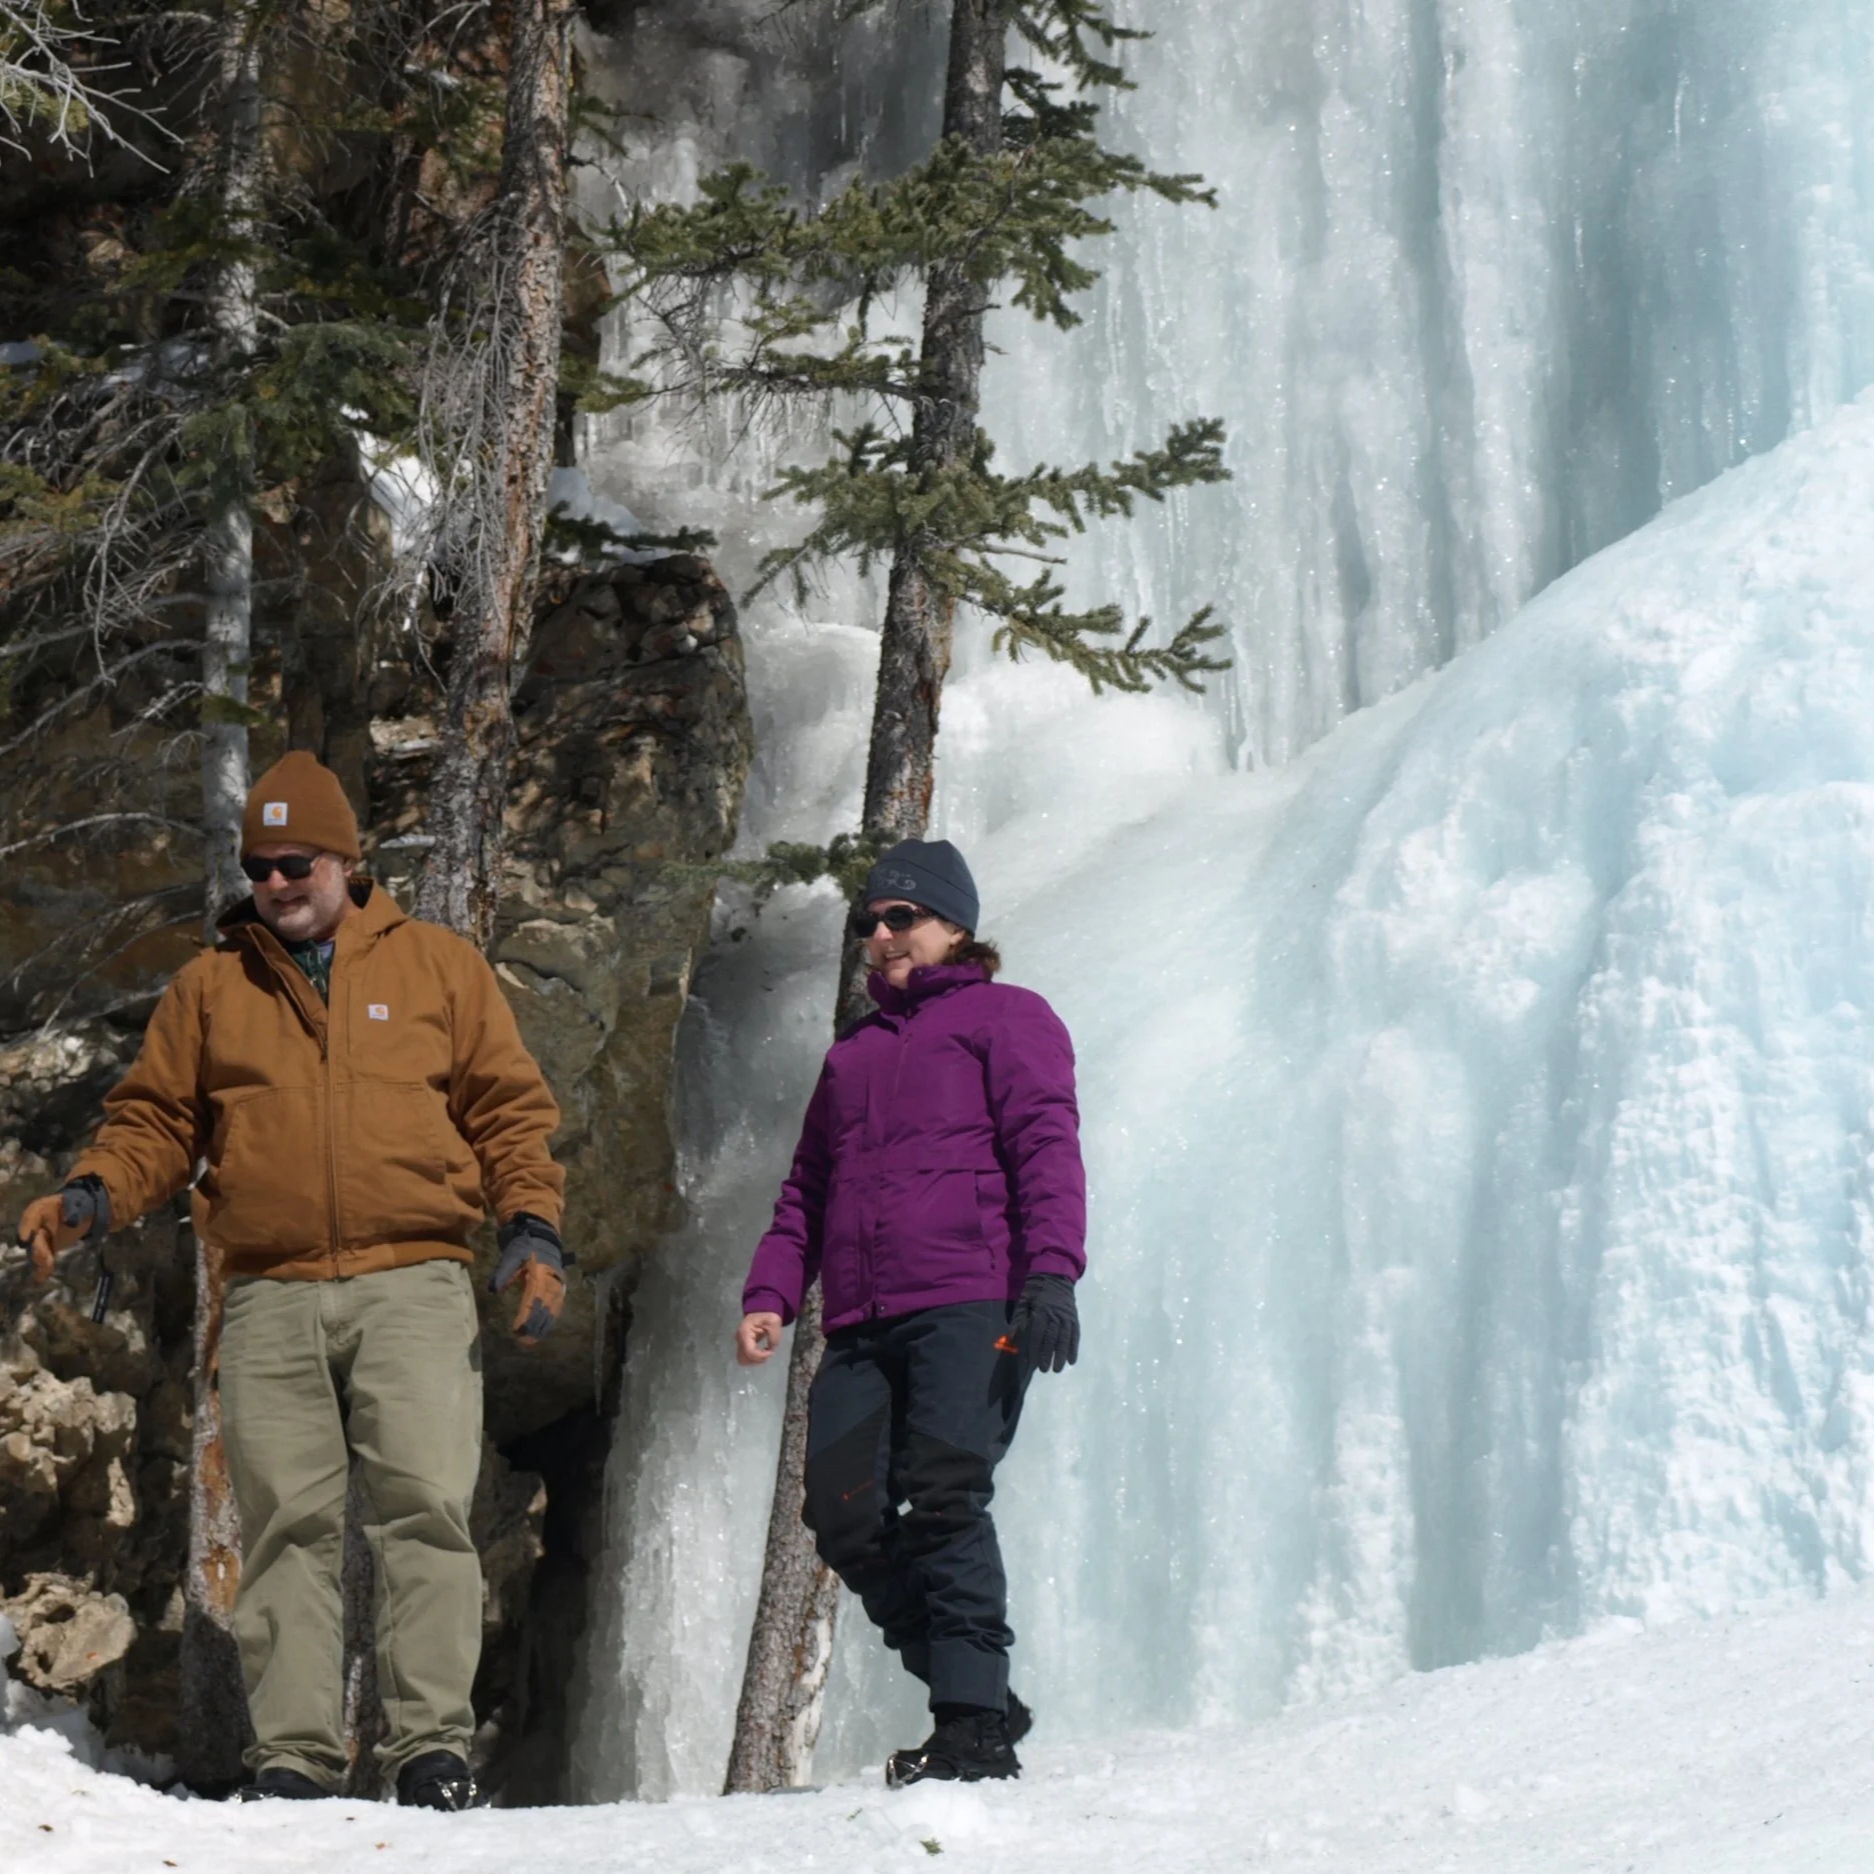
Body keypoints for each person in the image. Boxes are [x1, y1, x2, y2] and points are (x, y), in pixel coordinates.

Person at [11, 752, 568, 1809]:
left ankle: (429, 1752)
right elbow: (156, 1124)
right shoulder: (213, 985)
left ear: (346, 858)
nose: (276, 880)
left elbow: (508, 1109)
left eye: (295, 859)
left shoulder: (438, 967)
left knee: (423, 1512)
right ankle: (297, 1762)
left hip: (413, 1277)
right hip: (267, 1291)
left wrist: (533, 1229)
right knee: (286, 1526)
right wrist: (90, 1195)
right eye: (259, 863)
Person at [737, 837, 1085, 1786]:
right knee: (842, 1515)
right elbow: (805, 1190)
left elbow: (1046, 1145)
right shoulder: (853, 1053)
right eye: (870, 924)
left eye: (904, 919)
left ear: (956, 926)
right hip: (861, 1316)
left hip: (972, 1302)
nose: (883, 937)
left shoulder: (1008, 1018)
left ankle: (970, 1728)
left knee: (945, 1498)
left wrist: (1051, 1277)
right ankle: (980, 1690)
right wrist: (771, 1292)